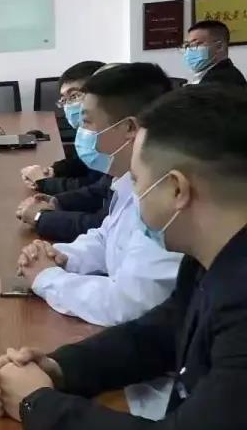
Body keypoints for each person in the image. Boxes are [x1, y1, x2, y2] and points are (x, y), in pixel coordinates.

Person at [0, 85, 247, 430]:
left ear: (177, 190)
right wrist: (57, 368)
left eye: (140, 183)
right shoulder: (216, 254)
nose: (133, 196)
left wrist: (37, 404)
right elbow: (164, 330)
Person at [15, 63, 182, 328]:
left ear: (129, 128)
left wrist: (48, 278)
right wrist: (59, 255)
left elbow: (127, 304)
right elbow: (107, 237)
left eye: (87, 123)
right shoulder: (127, 181)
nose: (82, 133)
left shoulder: (166, 195)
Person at [21, 60, 107, 194]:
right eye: (64, 100)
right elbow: (83, 162)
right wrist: (54, 170)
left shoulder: (116, 134)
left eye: (74, 96)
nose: (68, 105)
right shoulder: (88, 132)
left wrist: (43, 183)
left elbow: (99, 190)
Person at [183, 20, 245, 86]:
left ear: (219, 47)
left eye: (196, 44)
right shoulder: (206, 76)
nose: (189, 50)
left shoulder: (224, 80)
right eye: (187, 45)